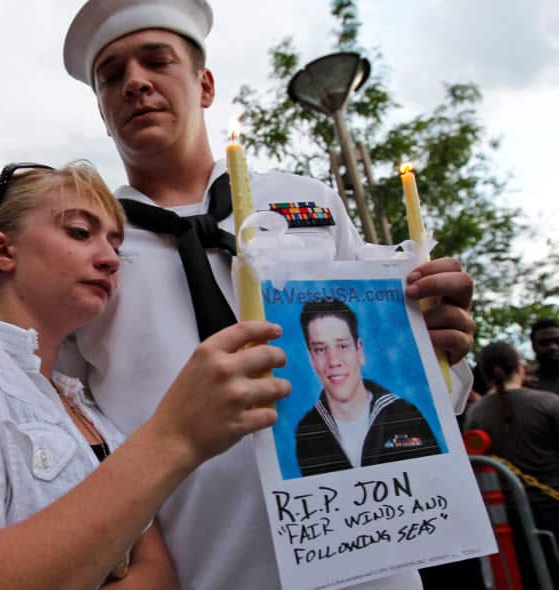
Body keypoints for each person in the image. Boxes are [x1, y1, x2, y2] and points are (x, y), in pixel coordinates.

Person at [60, 1, 476, 588]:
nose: (134, 82)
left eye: (157, 61)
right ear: (102, 110)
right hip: (204, 563)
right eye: (111, 75)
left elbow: (399, 364)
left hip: (366, 556)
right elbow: (68, 421)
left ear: (204, 85)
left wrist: (441, 350)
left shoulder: (306, 203)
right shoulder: (85, 247)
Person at [0, 161, 288, 589]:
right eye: (79, 232)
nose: (109, 259)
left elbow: (156, 573)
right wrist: (175, 438)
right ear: (3, 250)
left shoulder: (77, 400)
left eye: (115, 245)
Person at [295, 299, 440, 476]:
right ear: (311, 359)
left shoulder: (404, 415)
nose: (333, 361)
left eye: (342, 346)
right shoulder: (308, 430)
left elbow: (436, 481)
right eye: (320, 349)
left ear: (359, 351)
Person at [465, 341, 559, 586]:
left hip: (504, 520)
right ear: (520, 367)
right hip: (551, 512)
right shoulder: (549, 402)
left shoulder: (476, 413)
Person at [529, 318, 559, 393]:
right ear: (534, 347)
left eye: (557, 341)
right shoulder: (525, 384)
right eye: (544, 343)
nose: (552, 347)